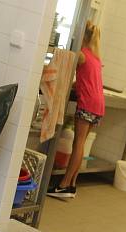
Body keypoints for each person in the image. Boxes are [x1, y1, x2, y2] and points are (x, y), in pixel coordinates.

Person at [47, 21, 104, 199]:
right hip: (98, 104)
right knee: (81, 144)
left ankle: (64, 185)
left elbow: (65, 58)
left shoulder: (82, 54)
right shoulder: (96, 57)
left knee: (78, 144)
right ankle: (71, 184)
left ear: (82, 36)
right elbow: (86, 79)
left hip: (87, 103)